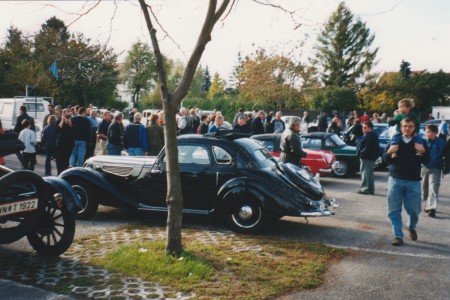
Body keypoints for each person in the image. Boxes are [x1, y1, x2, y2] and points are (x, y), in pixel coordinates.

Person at [383, 117, 429, 246]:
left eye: (410, 126)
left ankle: (411, 226)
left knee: (414, 210)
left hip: (413, 182)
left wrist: (423, 151)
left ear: (414, 128)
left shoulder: (420, 142)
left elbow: (427, 160)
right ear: (401, 127)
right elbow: (384, 159)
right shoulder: (394, 141)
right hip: (395, 180)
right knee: (393, 210)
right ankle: (397, 235)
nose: (407, 129)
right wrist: (389, 152)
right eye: (405, 126)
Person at [421, 124, 445, 218]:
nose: (427, 134)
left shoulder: (441, 143)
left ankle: (432, 208)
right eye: (426, 132)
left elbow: (443, 155)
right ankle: (428, 204)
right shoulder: (424, 142)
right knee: (424, 188)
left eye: (429, 132)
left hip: (436, 167)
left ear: (435, 133)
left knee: (434, 187)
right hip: (425, 167)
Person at [356, 121, 379, 195]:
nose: (363, 129)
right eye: (362, 127)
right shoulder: (371, 134)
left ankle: (365, 189)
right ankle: (370, 189)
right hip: (370, 157)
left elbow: (367, 148)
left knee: (365, 173)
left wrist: (362, 155)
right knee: (369, 174)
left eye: (365, 127)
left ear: (370, 128)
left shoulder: (369, 136)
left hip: (367, 157)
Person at [55, 109, 74, 174]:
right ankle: (59, 173)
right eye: (65, 115)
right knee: (59, 161)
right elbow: (57, 130)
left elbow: (74, 131)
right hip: (60, 145)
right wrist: (62, 121)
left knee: (66, 161)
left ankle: (65, 174)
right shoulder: (58, 121)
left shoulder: (72, 121)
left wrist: (69, 122)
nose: (66, 117)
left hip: (68, 145)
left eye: (68, 115)